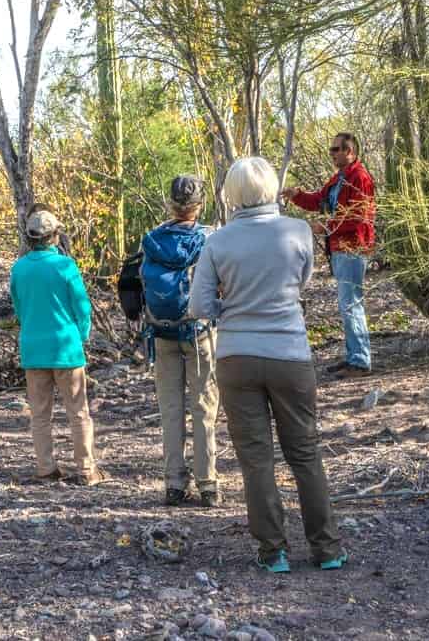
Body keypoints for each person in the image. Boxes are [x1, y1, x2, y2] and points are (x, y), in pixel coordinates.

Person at [191, 156, 345, 574]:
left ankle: (272, 551)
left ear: (232, 194)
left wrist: (233, 307)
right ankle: (326, 548)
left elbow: (199, 306)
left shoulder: (217, 242)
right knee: (305, 452)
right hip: (290, 354)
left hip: (236, 356)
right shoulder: (296, 231)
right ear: (273, 188)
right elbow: (304, 280)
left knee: (256, 458)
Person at [140, 174, 220, 508]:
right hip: (199, 329)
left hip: (161, 331)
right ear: (199, 205)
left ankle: (174, 483)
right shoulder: (211, 239)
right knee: (204, 407)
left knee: (171, 409)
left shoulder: (152, 240)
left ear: (169, 204)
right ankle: (208, 483)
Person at [9, 209, 104, 485]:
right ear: (54, 236)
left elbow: (19, 307)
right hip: (66, 348)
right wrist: (82, 334)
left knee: (39, 414)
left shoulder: (19, 268)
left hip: (33, 348)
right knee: (78, 412)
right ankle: (86, 469)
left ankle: (45, 467)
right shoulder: (66, 266)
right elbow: (82, 308)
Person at [281, 132, 376, 378]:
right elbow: (318, 201)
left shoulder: (360, 178)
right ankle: (354, 357)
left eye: (336, 149)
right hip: (340, 247)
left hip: (352, 247)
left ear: (350, 152)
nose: (332, 153)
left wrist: (327, 226)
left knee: (351, 304)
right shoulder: (339, 179)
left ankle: (360, 361)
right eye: (331, 149)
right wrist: (296, 195)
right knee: (347, 304)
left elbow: (359, 217)